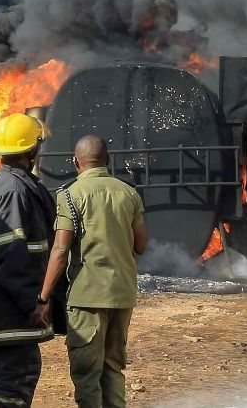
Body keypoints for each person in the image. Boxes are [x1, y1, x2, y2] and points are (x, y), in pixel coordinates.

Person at [37, 135, 147, 408]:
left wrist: (44, 296)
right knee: (113, 367)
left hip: (87, 297)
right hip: (122, 294)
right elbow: (142, 245)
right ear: (107, 160)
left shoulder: (70, 195)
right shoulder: (129, 193)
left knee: (87, 373)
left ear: (75, 162)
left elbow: (60, 251)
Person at [0, 113, 56, 407]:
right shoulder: (14, 192)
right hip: (12, 314)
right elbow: (15, 256)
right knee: (15, 387)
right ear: (31, 151)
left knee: (5, 389)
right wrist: (35, 301)